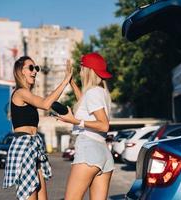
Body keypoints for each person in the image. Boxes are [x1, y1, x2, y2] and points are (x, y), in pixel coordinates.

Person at [3, 56, 72, 200]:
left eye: (36, 68)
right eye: (31, 68)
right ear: (20, 71)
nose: (35, 71)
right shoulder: (20, 92)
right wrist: (65, 80)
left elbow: (46, 104)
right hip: (24, 147)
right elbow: (46, 104)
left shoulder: (29, 95)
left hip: (34, 147)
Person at [55, 52, 114, 200]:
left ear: (88, 71)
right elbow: (84, 102)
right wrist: (71, 82)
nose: (80, 72)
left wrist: (74, 121)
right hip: (103, 153)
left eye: (82, 69)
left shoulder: (93, 93)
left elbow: (104, 125)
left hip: (89, 150)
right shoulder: (102, 92)